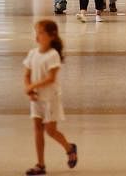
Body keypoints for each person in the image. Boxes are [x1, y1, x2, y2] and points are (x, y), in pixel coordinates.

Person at [23, 20, 77, 175]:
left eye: (41, 33)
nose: (37, 36)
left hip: (50, 98)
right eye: (36, 32)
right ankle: (40, 164)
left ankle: (69, 148)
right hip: (36, 99)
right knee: (37, 129)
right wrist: (29, 89)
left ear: (52, 36)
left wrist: (32, 86)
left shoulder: (53, 55)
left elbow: (51, 78)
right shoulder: (32, 53)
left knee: (50, 131)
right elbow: (26, 75)